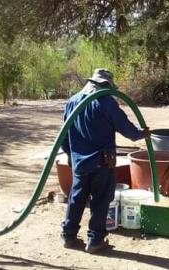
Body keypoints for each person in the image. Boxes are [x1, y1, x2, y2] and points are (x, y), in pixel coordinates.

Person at [60, 68, 150, 253]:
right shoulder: (106, 102)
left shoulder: (72, 101)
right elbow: (128, 130)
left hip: (80, 163)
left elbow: (63, 137)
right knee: (101, 201)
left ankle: (68, 236)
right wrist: (143, 134)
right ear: (107, 86)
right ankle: (95, 241)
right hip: (102, 163)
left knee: (76, 199)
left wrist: (70, 155)